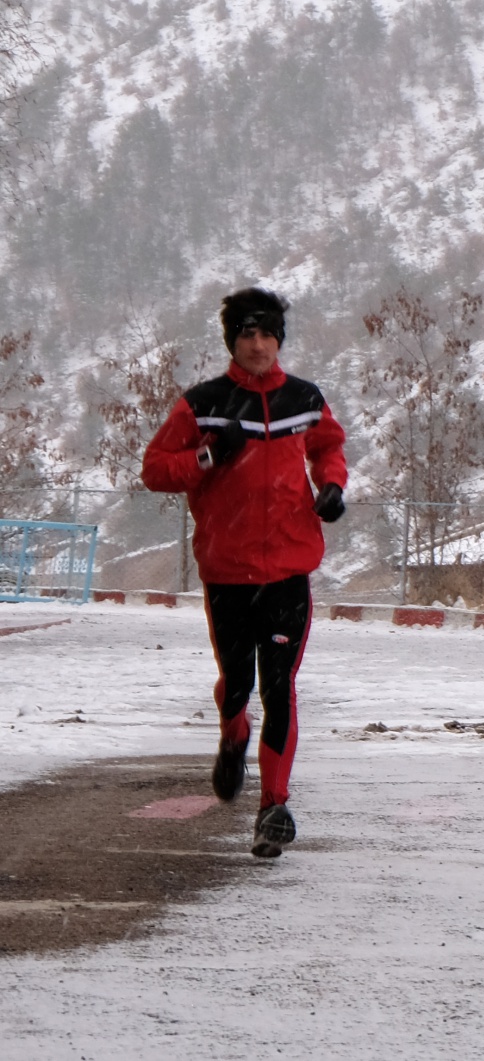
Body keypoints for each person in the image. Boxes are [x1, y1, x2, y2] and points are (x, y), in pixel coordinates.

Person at [142, 288, 348, 859]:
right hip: (228, 570)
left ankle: (273, 807)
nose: (258, 344)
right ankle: (233, 734)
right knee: (239, 683)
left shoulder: (304, 398)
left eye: (267, 333)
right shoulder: (203, 403)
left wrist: (332, 487)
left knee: (280, 688)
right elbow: (156, 470)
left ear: (280, 338)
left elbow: (328, 448)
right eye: (247, 334)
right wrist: (209, 455)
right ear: (232, 340)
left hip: (288, 568)